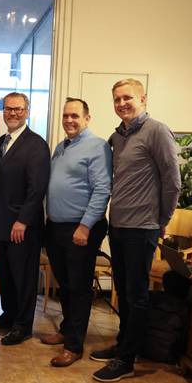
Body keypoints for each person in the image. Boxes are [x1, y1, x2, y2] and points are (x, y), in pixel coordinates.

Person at [90, 78, 181, 382]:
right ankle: (124, 345)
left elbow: (172, 180)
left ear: (143, 98)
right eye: (116, 99)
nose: (122, 104)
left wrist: (162, 220)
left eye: (127, 98)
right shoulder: (118, 137)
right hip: (118, 225)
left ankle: (127, 360)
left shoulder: (157, 131)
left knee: (137, 293)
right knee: (125, 292)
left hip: (143, 227)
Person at [41, 98, 112, 367]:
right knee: (66, 285)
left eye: (75, 116)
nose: (69, 120)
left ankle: (74, 345)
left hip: (81, 228)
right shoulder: (62, 147)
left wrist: (85, 226)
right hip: (57, 227)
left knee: (80, 288)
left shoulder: (97, 146)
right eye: (65, 115)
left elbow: (102, 190)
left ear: (87, 118)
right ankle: (67, 329)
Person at [0, 92, 51, 345]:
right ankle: (9, 315)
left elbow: (37, 188)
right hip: (0, 222)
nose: (13, 113)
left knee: (23, 276)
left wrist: (22, 220)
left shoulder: (36, 145)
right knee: (5, 273)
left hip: (22, 226)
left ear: (27, 111)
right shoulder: (0, 142)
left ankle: (23, 325)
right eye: (8, 109)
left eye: (18, 109)